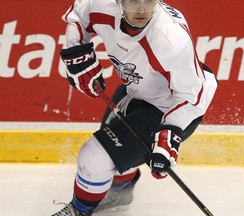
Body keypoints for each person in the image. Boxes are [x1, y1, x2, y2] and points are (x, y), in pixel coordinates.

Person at [52, 0, 218, 215]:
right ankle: (121, 191)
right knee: (116, 149)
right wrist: (77, 52)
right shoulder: (102, 5)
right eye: (133, 0)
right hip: (137, 88)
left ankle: (78, 211)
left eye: (148, 0)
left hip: (172, 107)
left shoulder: (170, 39)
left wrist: (169, 134)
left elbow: (195, 94)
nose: (141, 10)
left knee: (95, 156)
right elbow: (79, 13)